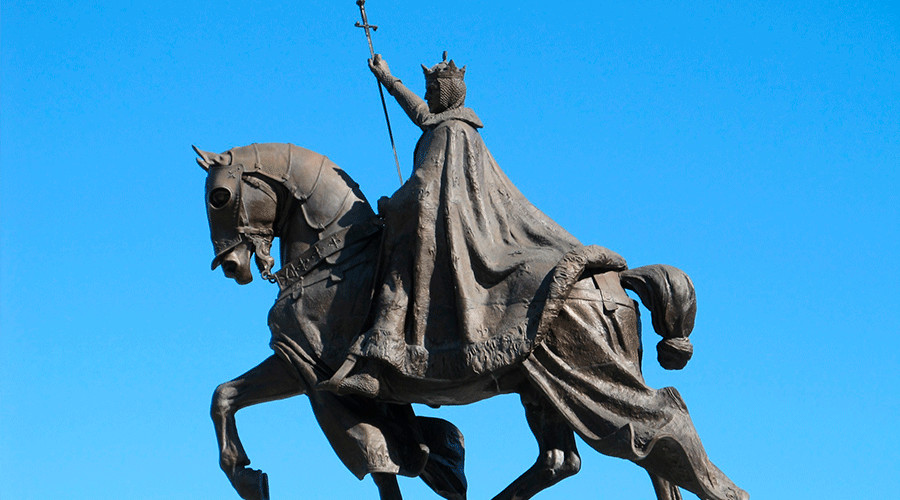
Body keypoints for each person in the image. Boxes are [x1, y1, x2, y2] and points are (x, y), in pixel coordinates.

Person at [321, 53, 582, 397]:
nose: (427, 97)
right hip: (455, 227)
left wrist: (390, 204)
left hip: (448, 232)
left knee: (397, 274)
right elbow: (422, 117)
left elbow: (424, 189)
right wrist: (388, 78)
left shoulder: (449, 132)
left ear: (444, 95)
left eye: (431, 92)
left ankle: (378, 366)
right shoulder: (455, 128)